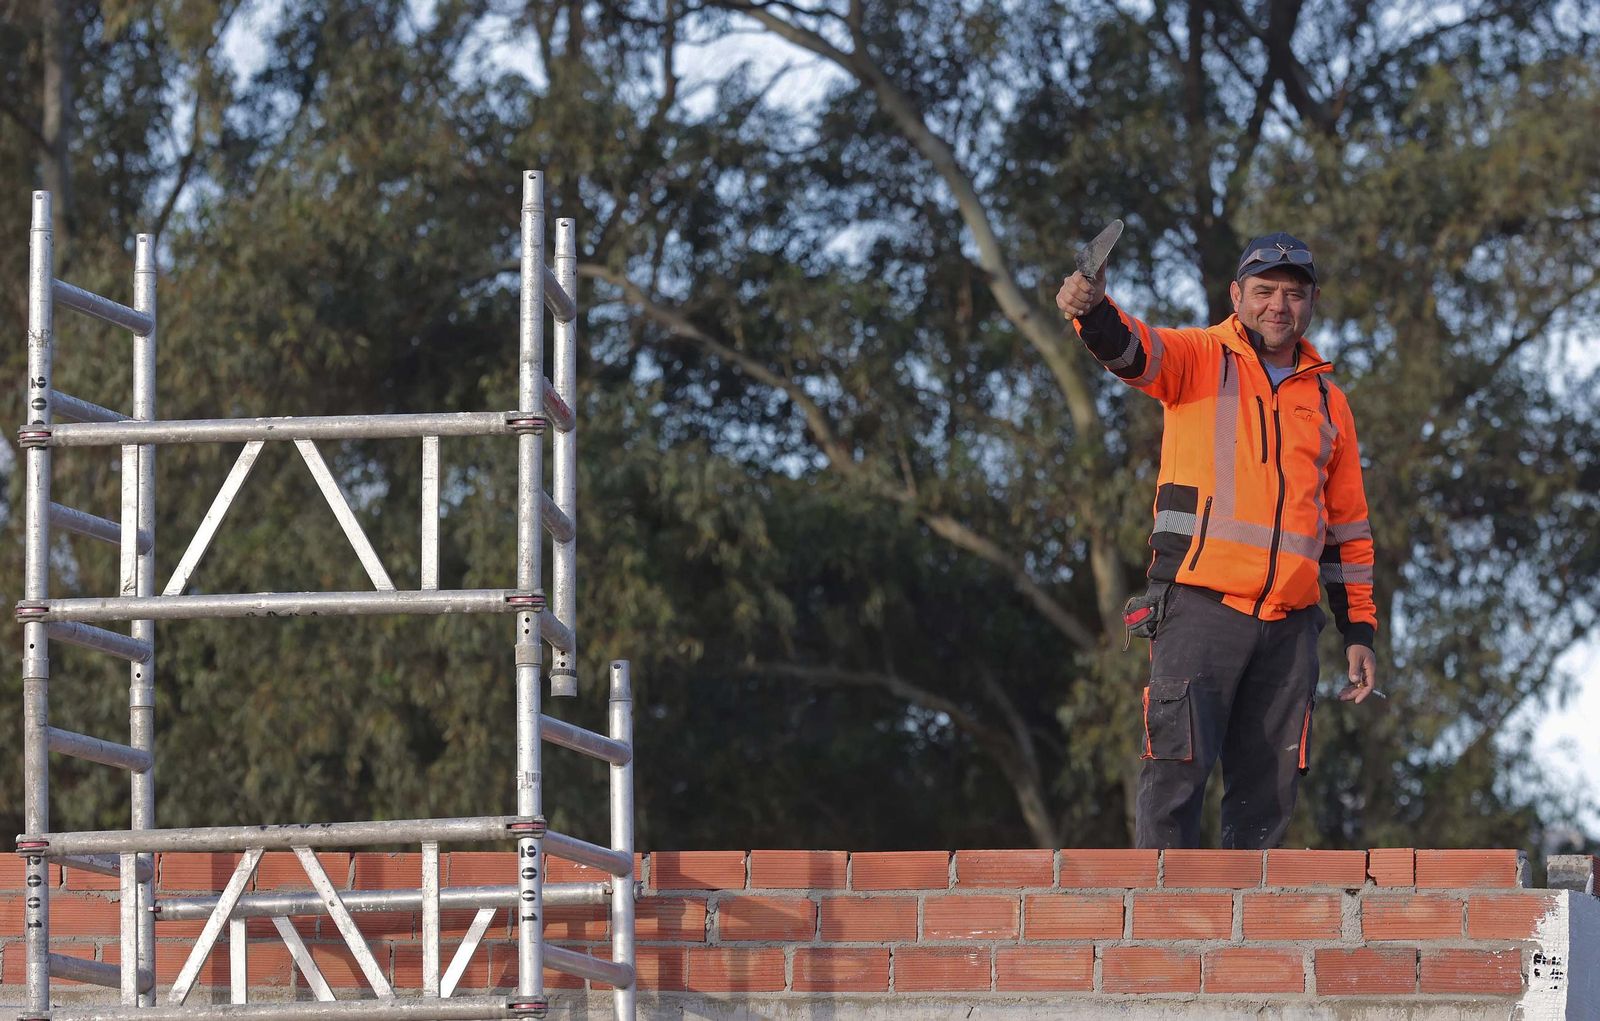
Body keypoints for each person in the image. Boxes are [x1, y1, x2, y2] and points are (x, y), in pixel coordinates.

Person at [1055, 232, 1379, 850]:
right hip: (1200, 610)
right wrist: (1092, 309)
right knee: (1174, 783)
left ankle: (1245, 943)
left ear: (1311, 303)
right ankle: (1157, 939)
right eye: (1264, 292)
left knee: (1268, 802)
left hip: (1291, 629)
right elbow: (1131, 349)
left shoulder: (1331, 403)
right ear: (1237, 295)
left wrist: (1358, 630)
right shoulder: (1199, 357)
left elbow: (1348, 530)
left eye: (1293, 294)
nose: (1278, 305)